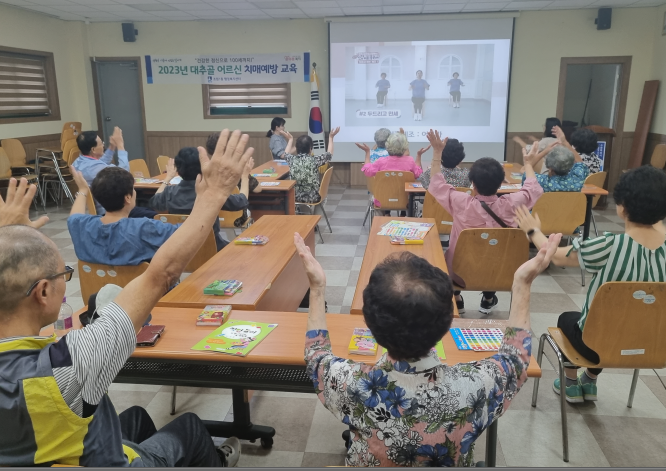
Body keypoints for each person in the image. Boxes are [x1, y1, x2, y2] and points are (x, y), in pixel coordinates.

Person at [0, 128, 253, 466]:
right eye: (63, 275)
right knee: (191, 427)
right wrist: (215, 194)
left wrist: (9, 238)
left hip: (52, 451)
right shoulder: (74, 363)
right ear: (43, 292)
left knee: (135, 417)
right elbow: (161, 273)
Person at [296, 217, 562, 466]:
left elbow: (316, 355)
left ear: (370, 324)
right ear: (447, 323)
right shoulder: (475, 385)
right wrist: (521, 283)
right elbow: (515, 359)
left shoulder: (349, 382)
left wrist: (317, 288)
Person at [514, 165, 666, 404]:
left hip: (596, 346)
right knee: (614, 325)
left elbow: (554, 255)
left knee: (571, 320)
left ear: (622, 207)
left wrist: (532, 229)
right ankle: (590, 380)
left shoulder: (610, 245)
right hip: (654, 345)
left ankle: (572, 384)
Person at [427, 130, 543, 314]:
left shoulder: (461, 203)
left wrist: (436, 153)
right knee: (493, 253)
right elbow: (533, 188)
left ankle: (456, 298)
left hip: (459, 273)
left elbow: (436, 183)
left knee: (450, 256)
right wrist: (528, 164)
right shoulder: (513, 203)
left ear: (472, 184)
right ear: (501, 183)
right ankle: (488, 298)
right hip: (502, 273)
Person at [67, 166, 181, 266]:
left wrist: (83, 190)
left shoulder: (82, 226)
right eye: (133, 188)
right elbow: (186, 232)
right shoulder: (144, 228)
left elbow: (74, 217)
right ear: (128, 198)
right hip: (141, 290)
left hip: (99, 289)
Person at [148, 147, 255, 250]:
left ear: (178, 171)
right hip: (212, 249)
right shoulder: (212, 192)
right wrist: (245, 176)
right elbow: (242, 201)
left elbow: (154, 202)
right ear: (203, 168)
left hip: (180, 251)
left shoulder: (169, 192)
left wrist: (168, 177)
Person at [521, 126, 589, 192]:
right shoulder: (576, 180)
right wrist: (564, 141)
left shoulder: (541, 181)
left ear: (550, 168)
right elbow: (581, 163)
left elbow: (524, 170)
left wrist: (545, 151)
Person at [283, 127, 339, 204]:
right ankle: (314, 214)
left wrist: (290, 139)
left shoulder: (292, 159)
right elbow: (329, 155)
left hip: (295, 197)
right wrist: (331, 137)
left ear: (297, 148)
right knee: (324, 199)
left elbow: (285, 154)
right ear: (310, 149)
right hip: (313, 197)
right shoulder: (315, 160)